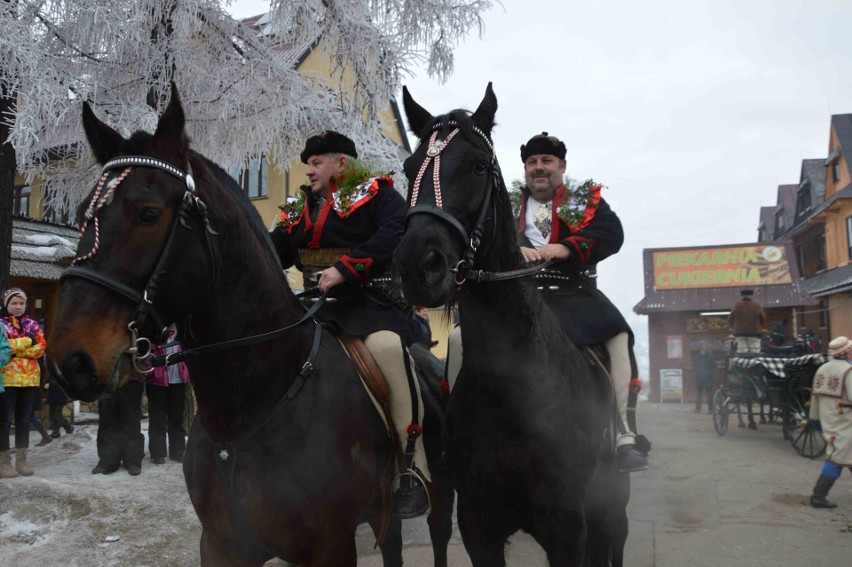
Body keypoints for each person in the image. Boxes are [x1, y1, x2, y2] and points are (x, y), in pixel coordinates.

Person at [269, 130, 429, 518]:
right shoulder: (297, 208)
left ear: (343, 163)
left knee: (388, 350)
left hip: (373, 306)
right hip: (316, 310)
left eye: (317, 161)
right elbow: (274, 248)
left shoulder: (378, 193)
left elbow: (397, 232)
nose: (309, 170)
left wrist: (347, 267)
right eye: (308, 163)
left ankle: (413, 468)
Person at [514, 132, 647, 473]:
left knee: (618, 337)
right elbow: (479, 239)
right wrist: (513, 251)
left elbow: (611, 232)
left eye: (546, 161)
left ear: (562, 166)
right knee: (460, 339)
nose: (538, 168)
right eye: (532, 162)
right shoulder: (505, 203)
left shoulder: (584, 199)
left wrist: (568, 247)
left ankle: (624, 433)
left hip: (575, 294)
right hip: (520, 295)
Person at [0, 288, 46, 478]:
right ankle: (3, 462)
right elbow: (4, 347)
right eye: (14, 303)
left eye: (21, 303)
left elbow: (41, 347)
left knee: (24, 420)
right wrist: (29, 340)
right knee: (4, 420)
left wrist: (18, 348)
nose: (18, 307)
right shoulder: (1, 324)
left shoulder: (33, 324)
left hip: (30, 378)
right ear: (6, 304)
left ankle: (22, 459)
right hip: (7, 378)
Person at [807, 335, 852, 508]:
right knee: (837, 457)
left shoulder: (822, 369)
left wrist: (814, 418)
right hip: (846, 421)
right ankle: (818, 496)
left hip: (830, 420)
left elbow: (815, 398)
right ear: (846, 352)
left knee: (844, 455)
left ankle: (819, 495)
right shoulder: (848, 371)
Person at [145, 325, 189, 465]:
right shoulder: (154, 335)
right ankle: (158, 453)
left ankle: (178, 451)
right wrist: (150, 370)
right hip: (157, 382)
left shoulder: (181, 335)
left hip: (178, 381)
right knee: (157, 419)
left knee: (176, 418)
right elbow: (146, 355)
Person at [92, 372, 145, 476]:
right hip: (106, 378)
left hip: (132, 377)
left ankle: (132, 460)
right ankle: (107, 461)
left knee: (131, 420)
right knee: (107, 420)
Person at [728, 289, 765, 354]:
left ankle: (743, 363)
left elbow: (731, 318)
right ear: (751, 296)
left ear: (742, 296)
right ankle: (754, 364)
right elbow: (763, 318)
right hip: (754, 332)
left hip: (739, 333)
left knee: (742, 352)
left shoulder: (737, 305)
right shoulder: (756, 305)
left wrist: (732, 327)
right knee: (755, 352)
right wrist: (760, 326)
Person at [692, 342, 717, 414]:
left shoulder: (711, 356)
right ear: (701, 348)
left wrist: (711, 374)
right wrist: (696, 374)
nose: (705, 348)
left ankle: (711, 409)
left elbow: (714, 367)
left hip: (709, 378)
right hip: (699, 377)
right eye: (703, 347)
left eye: (706, 347)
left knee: (710, 395)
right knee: (699, 394)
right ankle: (697, 409)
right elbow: (694, 366)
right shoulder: (696, 356)